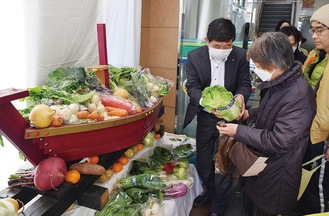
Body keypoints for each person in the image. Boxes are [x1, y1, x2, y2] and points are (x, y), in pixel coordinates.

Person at [217, 32, 316, 215]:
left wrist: (238, 131)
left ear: (275, 62)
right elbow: (271, 112)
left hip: (277, 176)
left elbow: (280, 140)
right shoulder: (279, 82)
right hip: (261, 168)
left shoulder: (298, 95)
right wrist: (248, 114)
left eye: (259, 65)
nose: (257, 69)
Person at [183, 18, 251, 215]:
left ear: (233, 43)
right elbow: (193, 87)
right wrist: (206, 104)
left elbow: (245, 84)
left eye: (227, 45)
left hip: (230, 119)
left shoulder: (240, 56)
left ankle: (220, 204)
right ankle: (211, 192)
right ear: (207, 40)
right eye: (217, 46)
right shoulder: (195, 57)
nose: (222, 49)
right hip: (206, 117)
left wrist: (239, 97)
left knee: (225, 164)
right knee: (204, 163)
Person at [294, 3, 329, 215]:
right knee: (308, 182)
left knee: (320, 192)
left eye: (321, 30)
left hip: (323, 137)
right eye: (313, 30)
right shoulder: (316, 56)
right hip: (311, 130)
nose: (314, 36)